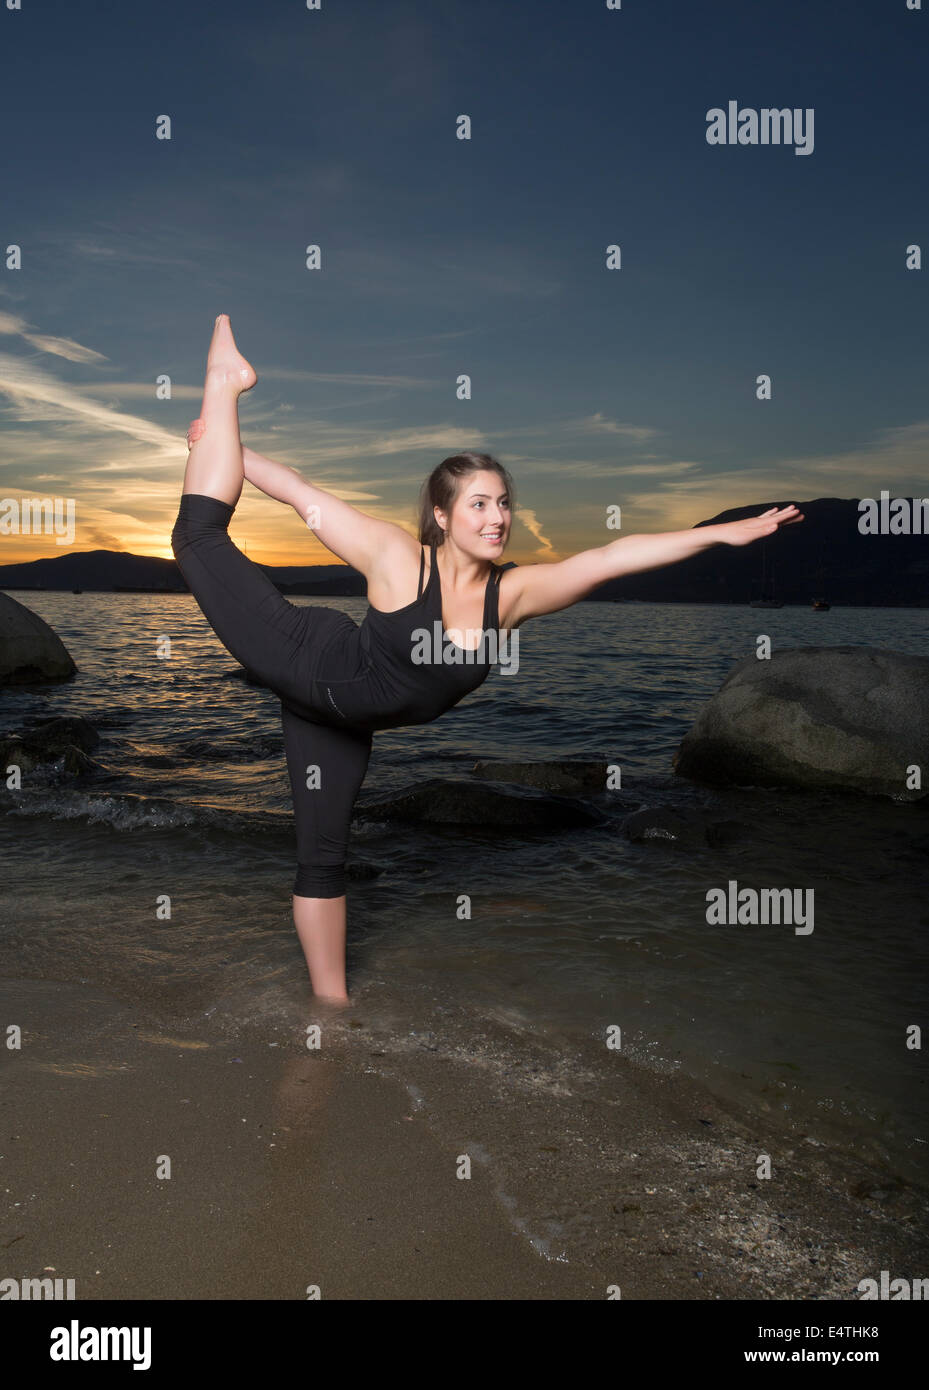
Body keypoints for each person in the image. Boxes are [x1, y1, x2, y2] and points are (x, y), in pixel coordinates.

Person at [173, 314, 803, 1003]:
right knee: (196, 534)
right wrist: (225, 440)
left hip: (338, 720)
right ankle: (225, 385)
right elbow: (300, 494)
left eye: (503, 503)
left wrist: (722, 534)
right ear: (441, 516)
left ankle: (333, 1016)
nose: (497, 516)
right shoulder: (394, 558)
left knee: (322, 859)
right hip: (305, 658)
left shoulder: (513, 596)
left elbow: (611, 556)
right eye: (478, 503)